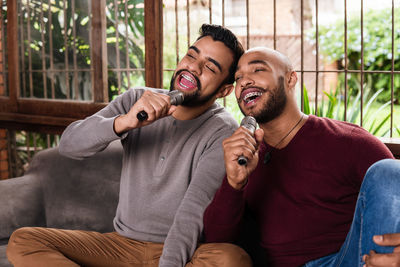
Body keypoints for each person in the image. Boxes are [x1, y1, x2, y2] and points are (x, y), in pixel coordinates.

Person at [6, 24, 251, 267]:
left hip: (183, 251)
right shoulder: (137, 100)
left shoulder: (222, 130)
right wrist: (123, 122)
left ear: (224, 90)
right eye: (191, 55)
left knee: (231, 259)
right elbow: (69, 145)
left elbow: (193, 212)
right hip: (120, 245)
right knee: (23, 240)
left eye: (209, 67)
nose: (192, 67)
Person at [203, 47, 400, 267]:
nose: (244, 81)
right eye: (238, 77)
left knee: (389, 170)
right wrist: (234, 183)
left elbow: (393, 190)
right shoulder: (245, 158)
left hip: (346, 260)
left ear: (290, 79)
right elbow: (215, 243)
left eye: (258, 69)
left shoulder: (348, 142)